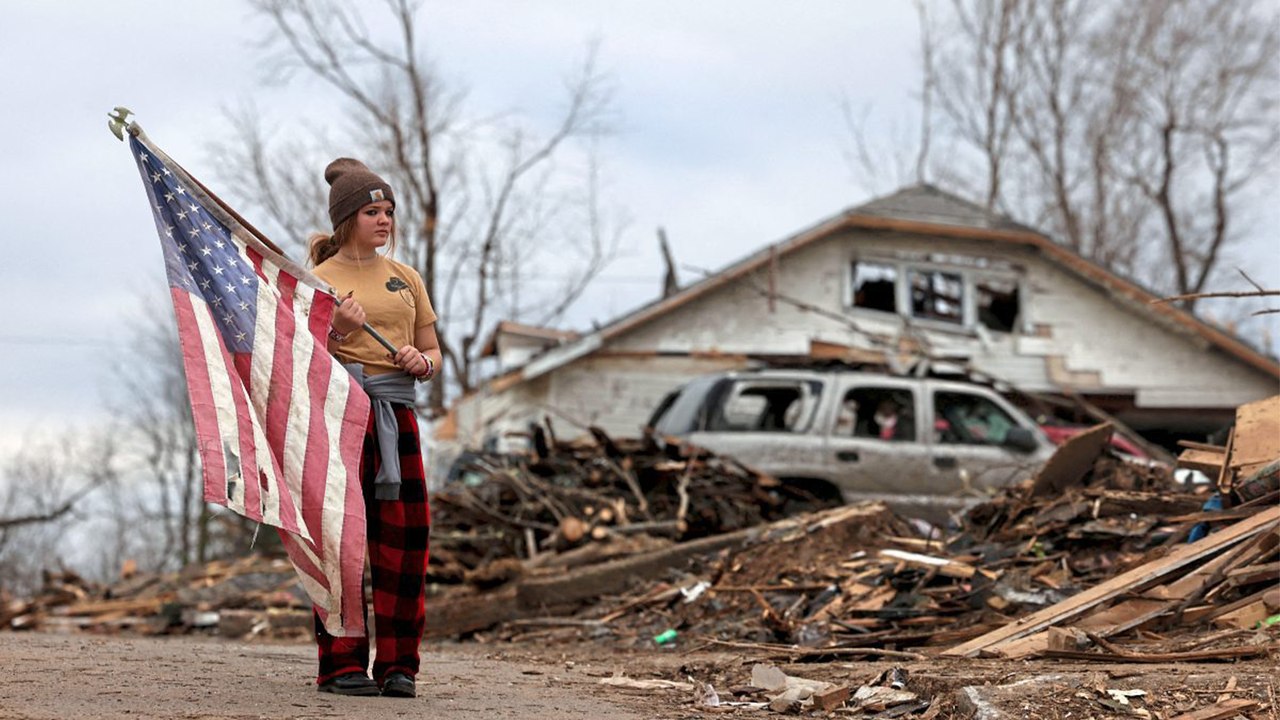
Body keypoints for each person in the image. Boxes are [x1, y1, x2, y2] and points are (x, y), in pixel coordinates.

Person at [307, 158, 440, 698]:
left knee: (404, 542)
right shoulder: (318, 281)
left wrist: (421, 362)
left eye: (388, 211)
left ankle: (398, 666)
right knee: (339, 542)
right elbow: (299, 356)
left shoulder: (406, 279)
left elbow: (433, 352)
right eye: (372, 212)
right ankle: (340, 664)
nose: (384, 220)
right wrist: (337, 331)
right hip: (339, 417)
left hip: (396, 419)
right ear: (347, 220)